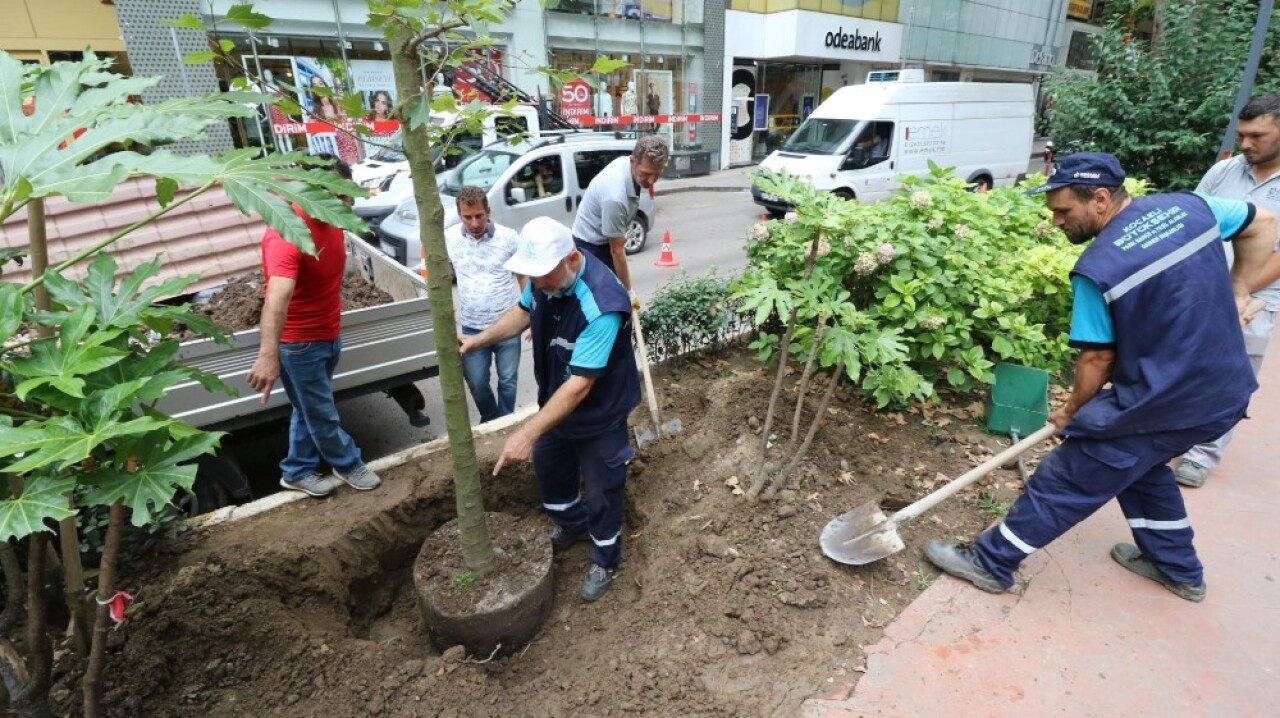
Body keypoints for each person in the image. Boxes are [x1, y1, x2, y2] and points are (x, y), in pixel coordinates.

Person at [925, 152, 1276, 602]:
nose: (1056, 221)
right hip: (1224, 392)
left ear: (1101, 199)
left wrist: (1073, 411)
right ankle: (1179, 569)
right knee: (1142, 469)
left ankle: (991, 562)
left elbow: (1097, 360)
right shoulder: (1188, 207)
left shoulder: (1099, 269)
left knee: (1071, 475)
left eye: (1063, 211)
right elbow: (1263, 221)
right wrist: (1240, 287)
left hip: (1166, 400)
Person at [459, 217, 641, 602]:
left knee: (603, 487)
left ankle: (604, 558)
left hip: (598, 415)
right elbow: (522, 311)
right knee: (550, 468)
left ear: (572, 258)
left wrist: (527, 431)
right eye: (532, 276)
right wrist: (479, 341)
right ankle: (573, 525)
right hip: (557, 404)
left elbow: (580, 386)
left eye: (542, 276)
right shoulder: (545, 281)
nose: (536, 284)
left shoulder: (603, 305)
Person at [246, 154, 382, 497]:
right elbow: (276, 296)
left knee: (307, 409)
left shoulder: (331, 217)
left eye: (344, 194)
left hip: (327, 335)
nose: (342, 203)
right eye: (334, 194)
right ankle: (348, 463)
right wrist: (268, 355)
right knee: (321, 412)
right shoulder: (288, 232)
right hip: (300, 344)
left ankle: (297, 470)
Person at [1173, 93, 1280, 488]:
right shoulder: (1225, 171)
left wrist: (1236, 292)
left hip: (1256, 298)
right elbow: (1195, 220)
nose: (1247, 144)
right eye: (1243, 135)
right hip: (1203, 284)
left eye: (1258, 135)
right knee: (1181, 364)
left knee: (1230, 376)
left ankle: (1201, 455)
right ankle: (1171, 434)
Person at [448, 185, 524, 423]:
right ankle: (492, 419)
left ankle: (505, 422)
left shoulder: (509, 237)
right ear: (459, 215)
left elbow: (523, 275)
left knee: (508, 380)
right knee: (477, 382)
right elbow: (434, 274)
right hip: (471, 328)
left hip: (508, 325)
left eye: (479, 216)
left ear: (488, 212)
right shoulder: (448, 239)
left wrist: (530, 313)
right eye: (467, 217)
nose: (473, 223)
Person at [570, 135, 669, 293]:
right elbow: (616, 251)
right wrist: (629, 292)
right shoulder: (615, 195)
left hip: (605, 239)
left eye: (656, 175)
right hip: (590, 246)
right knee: (609, 296)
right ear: (633, 161)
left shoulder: (631, 170)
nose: (650, 181)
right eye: (645, 173)